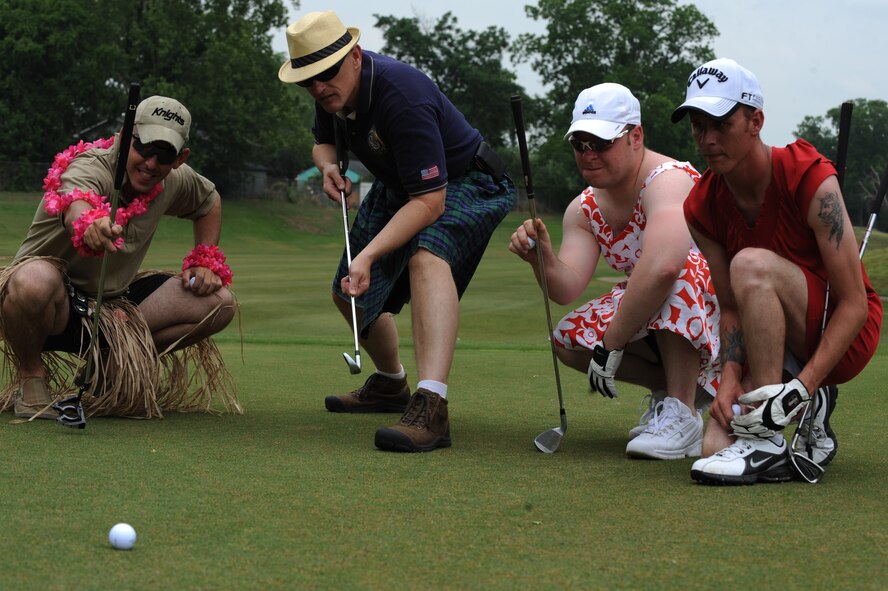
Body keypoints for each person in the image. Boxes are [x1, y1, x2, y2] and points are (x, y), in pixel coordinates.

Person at [278, 11, 515, 452]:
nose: (317, 86)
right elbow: (323, 140)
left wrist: (367, 255)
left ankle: (433, 407)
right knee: (345, 290)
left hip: (467, 180)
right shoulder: (328, 90)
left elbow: (430, 201)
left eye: (325, 74)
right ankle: (391, 384)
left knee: (427, 258)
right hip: (400, 185)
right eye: (307, 80)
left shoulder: (401, 95)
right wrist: (328, 166)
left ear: (354, 56)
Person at [672, 58, 882, 484]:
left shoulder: (810, 177)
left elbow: (855, 305)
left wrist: (800, 385)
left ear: (756, 120)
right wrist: (730, 376)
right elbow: (729, 306)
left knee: (749, 263)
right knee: (714, 445)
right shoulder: (701, 204)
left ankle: (771, 437)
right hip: (766, 333)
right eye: (698, 125)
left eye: (720, 124)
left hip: (840, 332)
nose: (708, 140)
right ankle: (805, 411)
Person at [509, 83, 720, 460]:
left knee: (677, 270)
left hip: (725, 318)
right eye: (580, 144)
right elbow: (567, 287)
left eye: (601, 143)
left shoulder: (669, 180)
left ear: (635, 136)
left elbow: (665, 266)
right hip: (670, 316)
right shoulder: (584, 208)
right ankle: (675, 394)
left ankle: (683, 415)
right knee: (568, 339)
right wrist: (542, 259)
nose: (588, 155)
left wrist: (611, 344)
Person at [0, 95, 240, 420]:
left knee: (220, 304)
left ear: (181, 157)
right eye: (144, 148)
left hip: (114, 308)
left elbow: (209, 201)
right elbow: (75, 199)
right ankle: (32, 381)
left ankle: (105, 370)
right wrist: (89, 224)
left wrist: (203, 258)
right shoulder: (90, 164)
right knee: (33, 280)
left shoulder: (174, 179)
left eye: (165, 154)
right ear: (125, 137)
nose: (152, 163)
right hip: (51, 306)